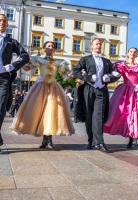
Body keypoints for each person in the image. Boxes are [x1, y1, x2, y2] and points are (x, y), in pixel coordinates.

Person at [11, 41, 75, 149]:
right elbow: (28, 68)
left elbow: (67, 73)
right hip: (40, 87)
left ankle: (48, 139)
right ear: (44, 49)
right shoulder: (39, 59)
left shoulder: (58, 62)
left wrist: (75, 74)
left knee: (50, 112)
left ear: (54, 50)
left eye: (52, 47)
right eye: (48, 46)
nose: (50, 48)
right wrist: (20, 62)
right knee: (40, 113)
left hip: (54, 88)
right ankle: (45, 140)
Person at [73, 38, 120, 152]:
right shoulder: (85, 59)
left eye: (100, 44)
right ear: (92, 46)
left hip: (101, 90)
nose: (98, 46)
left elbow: (117, 73)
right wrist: (88, 77)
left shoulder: (106, 61)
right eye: (96, 44)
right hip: (88, 89)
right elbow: (76, 71)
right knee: (88, 116)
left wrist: (110, 78)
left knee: (98, 116)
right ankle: (91, 140)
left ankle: (99, 142)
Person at [0, 14, 29, 147]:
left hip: (3, 78)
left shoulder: (11, 41)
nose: (2, 22)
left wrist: (12, 66)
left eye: (4, 21)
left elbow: (25, 56)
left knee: (1, 108)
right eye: (0, 20)